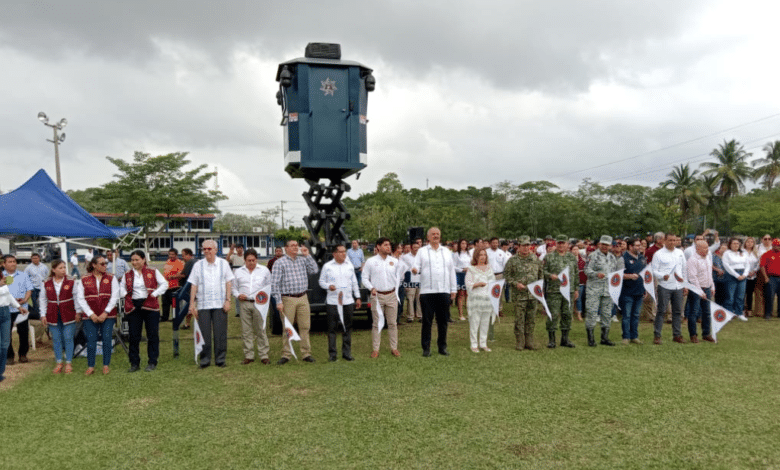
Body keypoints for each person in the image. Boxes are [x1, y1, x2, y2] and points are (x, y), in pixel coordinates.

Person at [270, 240, 318, 364]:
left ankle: (306, 353)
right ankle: (286, 355)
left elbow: (314, 270)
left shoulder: (303, 260)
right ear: (286, 248)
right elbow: (275, 284)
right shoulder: (279, 263)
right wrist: (279, 301)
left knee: (305, 326)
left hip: (303, 297)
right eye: (292, 245)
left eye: (297, 245)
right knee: (288, 328)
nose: (296, 247)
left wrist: (307, 255)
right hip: (288, 298)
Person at [411, 227, 457, 357]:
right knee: (427, 321)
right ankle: (426, 348)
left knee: (443, 321)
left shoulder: (447, 251)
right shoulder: (422, 251)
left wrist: (453, 289)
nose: (436, 236)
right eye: (433, 234)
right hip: (427, 292)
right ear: (428, 237)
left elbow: (451, 271)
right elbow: (416, 266)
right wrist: (415, 270)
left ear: (440, 237)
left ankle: (442, 347)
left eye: (438, 234)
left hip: (443, 291)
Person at [188, 240, 234, 368]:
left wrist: (228, 300)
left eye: (209, 248)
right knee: (204, 333)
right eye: (204, 249)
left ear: (216, 250)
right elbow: (193, 285)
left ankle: (220, 359)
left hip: (220, 304)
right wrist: (192, 304)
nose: (206, 251)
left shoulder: (223, 264)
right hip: (203, 304)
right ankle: (205, 359)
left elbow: (228, 282)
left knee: (220, 333)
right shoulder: (198, 265)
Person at [122, 250, 168, 372]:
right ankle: (134, 363)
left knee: (152, 334)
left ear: (143, 260)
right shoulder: (127, 274)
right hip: (133, 305)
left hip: (150, 304)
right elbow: (121, 287)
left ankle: (152, 362)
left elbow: (164, 284)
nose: (134, 262)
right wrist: (126, 295)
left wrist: (155, 294)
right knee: (134, 336)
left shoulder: (152, 271)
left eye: (137, 259)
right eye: (132, 260)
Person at [76, 256, 119, 375]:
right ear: (94, 265)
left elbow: (114, 296)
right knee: (91, 340)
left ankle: (106, 365)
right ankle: (91, 366)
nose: (105, 266)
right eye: (102, 264)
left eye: (105, 264)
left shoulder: (111, 277)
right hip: (90, 316)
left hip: (108, 315)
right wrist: (91, 314)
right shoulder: (84, 279)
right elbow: (80, 298)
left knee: (106, 339)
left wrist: (106, 312)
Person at [318, 244, 361, 362]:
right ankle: (332, 354)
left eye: (344, 252)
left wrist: (357, 297)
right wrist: (328, 286)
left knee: (347, 328)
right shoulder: (327, 266)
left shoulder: (349, 265)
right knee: (332, 329)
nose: (344, 254)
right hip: (333, 302)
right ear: (334, 254)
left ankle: (346, 353)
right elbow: (321, 281)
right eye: (341, 252)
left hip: (348, 301)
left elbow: (354, 282)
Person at [363, 237, 403, 358]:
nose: (388, 247)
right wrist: (371, 288)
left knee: (392, 323)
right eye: (385, 245)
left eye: (389, 245)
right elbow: (364, 278)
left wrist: (395, 288)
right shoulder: (370, 261)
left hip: (391, 295)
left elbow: (400, 278)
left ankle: (394, 348)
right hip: (377, 295)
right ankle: (375, 349)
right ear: (378, 247)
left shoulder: (395, 261)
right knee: (377, 323)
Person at [504, 235, 543, 351]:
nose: (526, 248)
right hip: (519, 295)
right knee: (519, 319)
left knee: (531, 319)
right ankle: (520, 342)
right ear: (518, 246)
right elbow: (507, 276)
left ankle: (529, 342)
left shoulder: (536, 259)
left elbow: (541, 275)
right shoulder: (512, 260)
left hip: (533, 294)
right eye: (523, 246)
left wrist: (540, 287)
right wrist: (516, 284)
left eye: (527, 245)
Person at [232, 248, 271, 365]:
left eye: (253, 260)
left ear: (256, 259)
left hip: (260, 304)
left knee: (261, 329)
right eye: (248, 260)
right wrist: (238, 295)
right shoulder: (238, 272)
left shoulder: (264, 270)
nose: (251, 262)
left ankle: (264, 355)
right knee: (246, 330)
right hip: (244, 303)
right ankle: (249, 355)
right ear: (244, 260)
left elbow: (270, 286)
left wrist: (264, 298)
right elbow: (233, 287)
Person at [40, 260, 77, 374]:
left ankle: (69, 363)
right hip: (52, 314)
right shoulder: (46, 282)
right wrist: (43, 314)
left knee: (68, 338)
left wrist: (78, 312)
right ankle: (59, 362)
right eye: (60, 268)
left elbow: (76, 297)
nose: (63, 270)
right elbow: (42, 299)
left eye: (64, 267)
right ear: (53, 269)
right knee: (56, 339)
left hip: (69, 313)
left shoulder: (71, 281)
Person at [651, 233, 688, 344]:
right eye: (670, 240)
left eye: (674, 240)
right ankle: (657, 335)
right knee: (661, 311)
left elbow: (684, 269)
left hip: (678, 286)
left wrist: (685, 284)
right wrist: (662, 276)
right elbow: (654, 270)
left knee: (677, 311)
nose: (672, 242)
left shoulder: (680, 253)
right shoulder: (658, 254)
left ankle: (677, 335)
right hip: (665, 286)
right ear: (664, 241)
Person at [543, 235, 579, 348]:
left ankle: (565, 339)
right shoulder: (549, 257)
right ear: (556, 244)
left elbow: (576, 273)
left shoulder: (572, 257)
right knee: (553, 314)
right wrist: (550, 275)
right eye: (559, 243)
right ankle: (552, 340)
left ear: (567, 244)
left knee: (567, 314)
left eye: (563, 243)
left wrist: (576, 289)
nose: (561, 245)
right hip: (554, 290)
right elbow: (542, 271)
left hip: (569, 291)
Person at [584, 236, 618, 347]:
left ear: (610, 246)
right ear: (599, 244)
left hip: (608, 290)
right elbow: (586, 270)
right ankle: (591, 338)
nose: (604, 246)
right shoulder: (592, 256)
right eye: (603, 244)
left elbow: (615, 273)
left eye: (607, 245)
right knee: (592, 313)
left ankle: (604, 337)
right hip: (594, 289)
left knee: (607, 314)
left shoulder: (612, 257)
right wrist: (595, 274)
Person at [3, 255, 33, 364]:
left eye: (14, 261)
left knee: (24, 332)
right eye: (10, 262)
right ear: (4, 264)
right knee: (6, 334)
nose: (13, 264)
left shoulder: (23, 275)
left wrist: (25, 299)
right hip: (6, 309)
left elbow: (29, 289)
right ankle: (9, 356)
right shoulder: (2, 277)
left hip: (22, 309)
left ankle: (23, 355)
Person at [465, 247, 495, 352]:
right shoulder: (471, 269)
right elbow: (468, 284)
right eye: (480, 255)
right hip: (476, 299)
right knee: (475, 322)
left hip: (487, 299)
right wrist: (477, 284)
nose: (483, 257)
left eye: (484, 255)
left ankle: (483, 343)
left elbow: (493, 283)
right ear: (476, 256)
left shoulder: (489, 268)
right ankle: (474, 344)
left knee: (485, 322)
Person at [617, 238, 646, 345]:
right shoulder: (623, 258)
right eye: (637, 245)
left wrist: (645, 288)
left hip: (639, 291)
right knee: (627, 316)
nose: (640, 247)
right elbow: (618, 275)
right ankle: (626, 337)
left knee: (636, 315)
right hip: (627, 292)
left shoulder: (642, 258)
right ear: (630, 246)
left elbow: (645, 274)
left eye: (640, 245)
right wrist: (629, 276)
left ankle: (634, 336)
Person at [1, 270, 28, 382]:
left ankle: (0, 372)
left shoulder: (3, 277)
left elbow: (8, 295)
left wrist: (18, 307)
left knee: (5, 343)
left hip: (6, 312)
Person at [686, 240, 715, 343]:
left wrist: (712, 287)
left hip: (707, 287)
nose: (707, 250)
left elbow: (709, 274)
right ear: (698, 248)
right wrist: (699, 291)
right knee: (693, 312)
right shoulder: (692, 260)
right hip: (696, 289)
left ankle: (706, 333)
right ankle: (693, 335)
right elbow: (693, 277)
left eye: (707, 247)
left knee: (707, 312)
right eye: (704, 248)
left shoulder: (707, 258)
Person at [722, 238, 748, 321]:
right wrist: (736, 275)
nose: (736, 245)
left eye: (737, 243)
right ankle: (729, 314)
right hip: (731, 275)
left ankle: (739, 313)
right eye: (734, 243)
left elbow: (747, 265)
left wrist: (744, 274)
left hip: (743, 274)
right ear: (730, 244)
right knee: (730, 296)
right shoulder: (727, 253)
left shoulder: (743, 253)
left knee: (740, 296)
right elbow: (726, 266)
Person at [486, 237, 509, 317]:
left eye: (496, 243)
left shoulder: (502, 253)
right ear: (490, 243)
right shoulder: (486, 252)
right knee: (489, 292)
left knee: (498, 293)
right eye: (493, 243)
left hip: (499, 275)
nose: (495, 244)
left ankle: (499, 310)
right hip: (489, 275)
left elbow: (505, 264)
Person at [24, 253, 49, 323]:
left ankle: (44, 315)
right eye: (33, 258)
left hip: (43, 287)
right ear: (31, 259)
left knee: (43, 302)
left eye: (36, 258)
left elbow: (47, 275)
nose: (35, 259)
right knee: (35, 303)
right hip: (34, 288)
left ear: (39, 258)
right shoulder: (28, 268)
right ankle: (39, 317)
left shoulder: (44, 266)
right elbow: (25, 278)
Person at [161, 248, 184, 322]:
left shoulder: (180, 263)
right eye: (170, 254)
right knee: (165, 302)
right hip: (166, 286)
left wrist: (172, 277)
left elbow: (182, 274)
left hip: (175, 286)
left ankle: (176, 317)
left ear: (176, 255)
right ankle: (164, 317)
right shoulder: (168, 262)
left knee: (175, 304)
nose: (171, 256)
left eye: (173, 254)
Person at [175, 248, 197, 329]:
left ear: (188, 255)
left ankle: (187, 324)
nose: (182, 257)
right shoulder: (196, 261)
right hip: (194, 288)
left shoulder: (190, 262)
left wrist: (174, 276)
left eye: (183, 255)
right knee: (192, 306)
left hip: (189, 289)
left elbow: (184, 275)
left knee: (188, 306)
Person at [401, 241, 422, 322]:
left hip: (420, 280)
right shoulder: (405, 257)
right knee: (410, 298)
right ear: (411, 248)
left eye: (418, 248)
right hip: (410, 280)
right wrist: (411, 270)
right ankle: (410, 316)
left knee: (419, 298)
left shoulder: (421, 257)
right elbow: (403, 268)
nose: (416, 249)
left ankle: (420, 315)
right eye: (415, 248)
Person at [760, 238, 780, 319]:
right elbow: (762, 266)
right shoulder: (766, 254)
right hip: (771, 278)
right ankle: (768, 313)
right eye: (776, 246)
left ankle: (779, 313)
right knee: (769, 296)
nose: (778, 247)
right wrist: (765, 277)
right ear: (773, 245)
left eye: (779, 246)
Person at [453, 238, 471, 321]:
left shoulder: (469, 254)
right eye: (462, 243)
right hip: (461, 275)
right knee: (461, 294)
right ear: (460, 245)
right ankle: (461, 314)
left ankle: (469, 312)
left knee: (468, 294)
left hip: (469, 275)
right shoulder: (456, 254)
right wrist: (462, 269)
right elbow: (453, 266)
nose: (464, 245)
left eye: (465, 243)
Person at [227, 244, 246, 318]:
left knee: (244, 293)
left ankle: (244, 311)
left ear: (243, 249)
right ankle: (238, 312)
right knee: (237, 295)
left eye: (241, 248)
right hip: (235, 278)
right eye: (238, 248)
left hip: (244, 277)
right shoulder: (234, 256)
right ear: (236, 249)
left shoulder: (245, 256)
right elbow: (227, 259)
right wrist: (230, 251)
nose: (239, 249)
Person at [742, 237, 759, 317]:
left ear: (753, 244)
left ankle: (749, 309)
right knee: (742, 293)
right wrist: (746, 272)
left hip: (753, 276)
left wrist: (754, 271)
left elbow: (758, 264)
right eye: (748, 242)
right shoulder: (741, 252)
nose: (749, 243)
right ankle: (741, 310)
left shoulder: (756, 253)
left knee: (749, 294)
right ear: (745, 243)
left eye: (751, 242)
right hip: (743, 275)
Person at [572, 244, 586, 322]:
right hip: (571, 282)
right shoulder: (568, 260)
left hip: (580, 282)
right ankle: (571, 314)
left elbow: (584, 272)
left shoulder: (583, 260)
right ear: (571, 251)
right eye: (574, 249)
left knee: (578, 299)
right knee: (571, 299)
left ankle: (579, 314)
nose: (575, 251)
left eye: (577, 249)